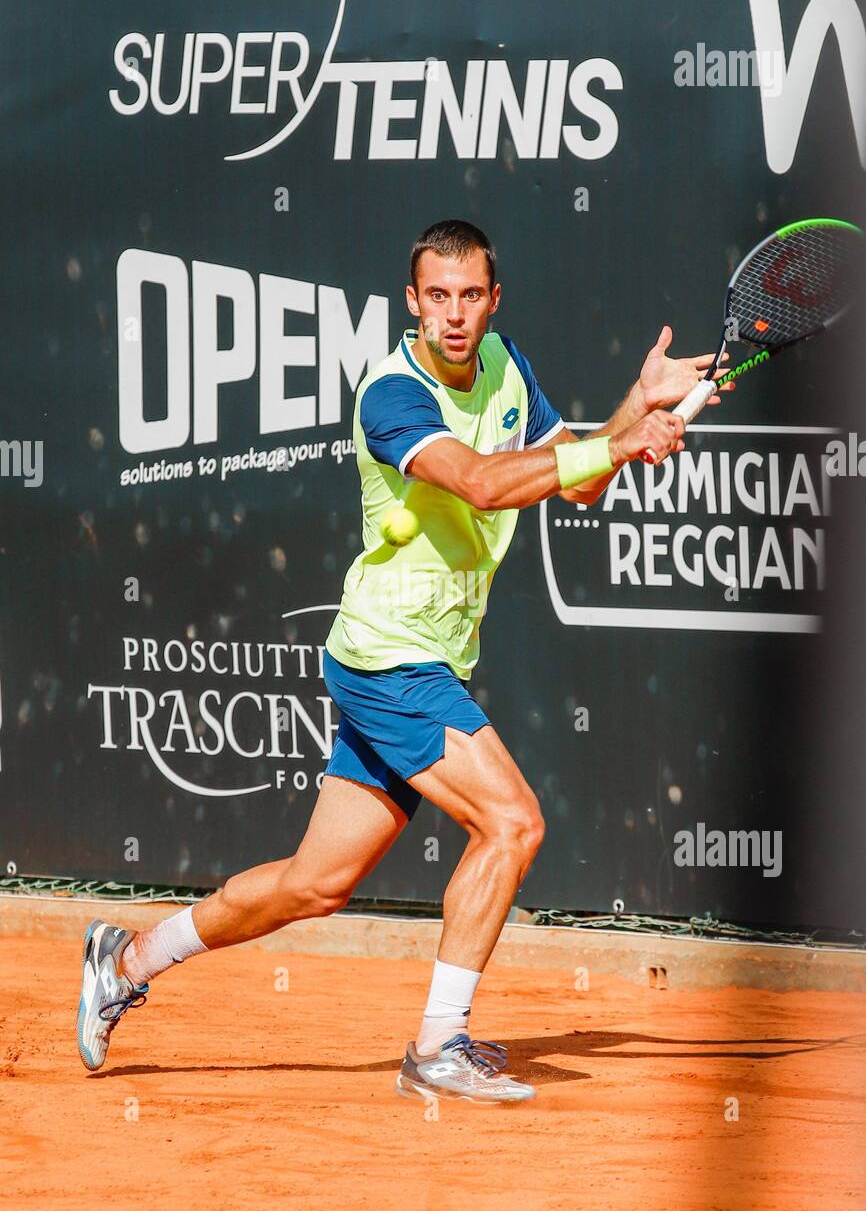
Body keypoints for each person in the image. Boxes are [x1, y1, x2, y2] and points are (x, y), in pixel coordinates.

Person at [77, 220, 730, 1103]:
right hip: (391, 659)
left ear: (492, 301)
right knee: (513, 824)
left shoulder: (507, 365)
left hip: (426, 658)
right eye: (438, 297)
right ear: (412, 301)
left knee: (315, 885)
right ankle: (436, 1048)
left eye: (471, 296)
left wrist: (631, 409)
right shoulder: (391, 394)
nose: (455, 316)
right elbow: (485, 483)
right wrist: (621, 440)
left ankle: (125, 958)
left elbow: (575, 480)